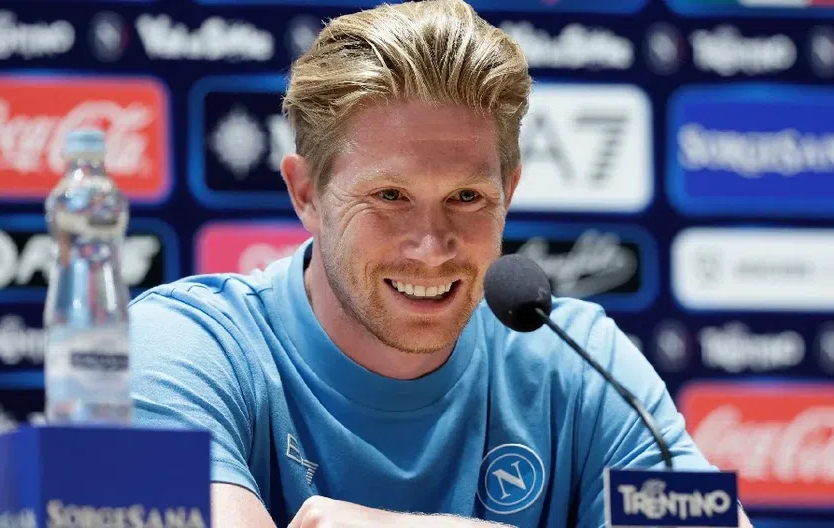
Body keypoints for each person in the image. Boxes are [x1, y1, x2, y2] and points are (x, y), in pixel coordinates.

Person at [129, 0, 754, 526]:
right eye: (390, 196)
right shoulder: (183, 347)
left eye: (466, 198)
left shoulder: (582, 361)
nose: (431, 246)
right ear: (306, 194)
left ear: (509, 191)